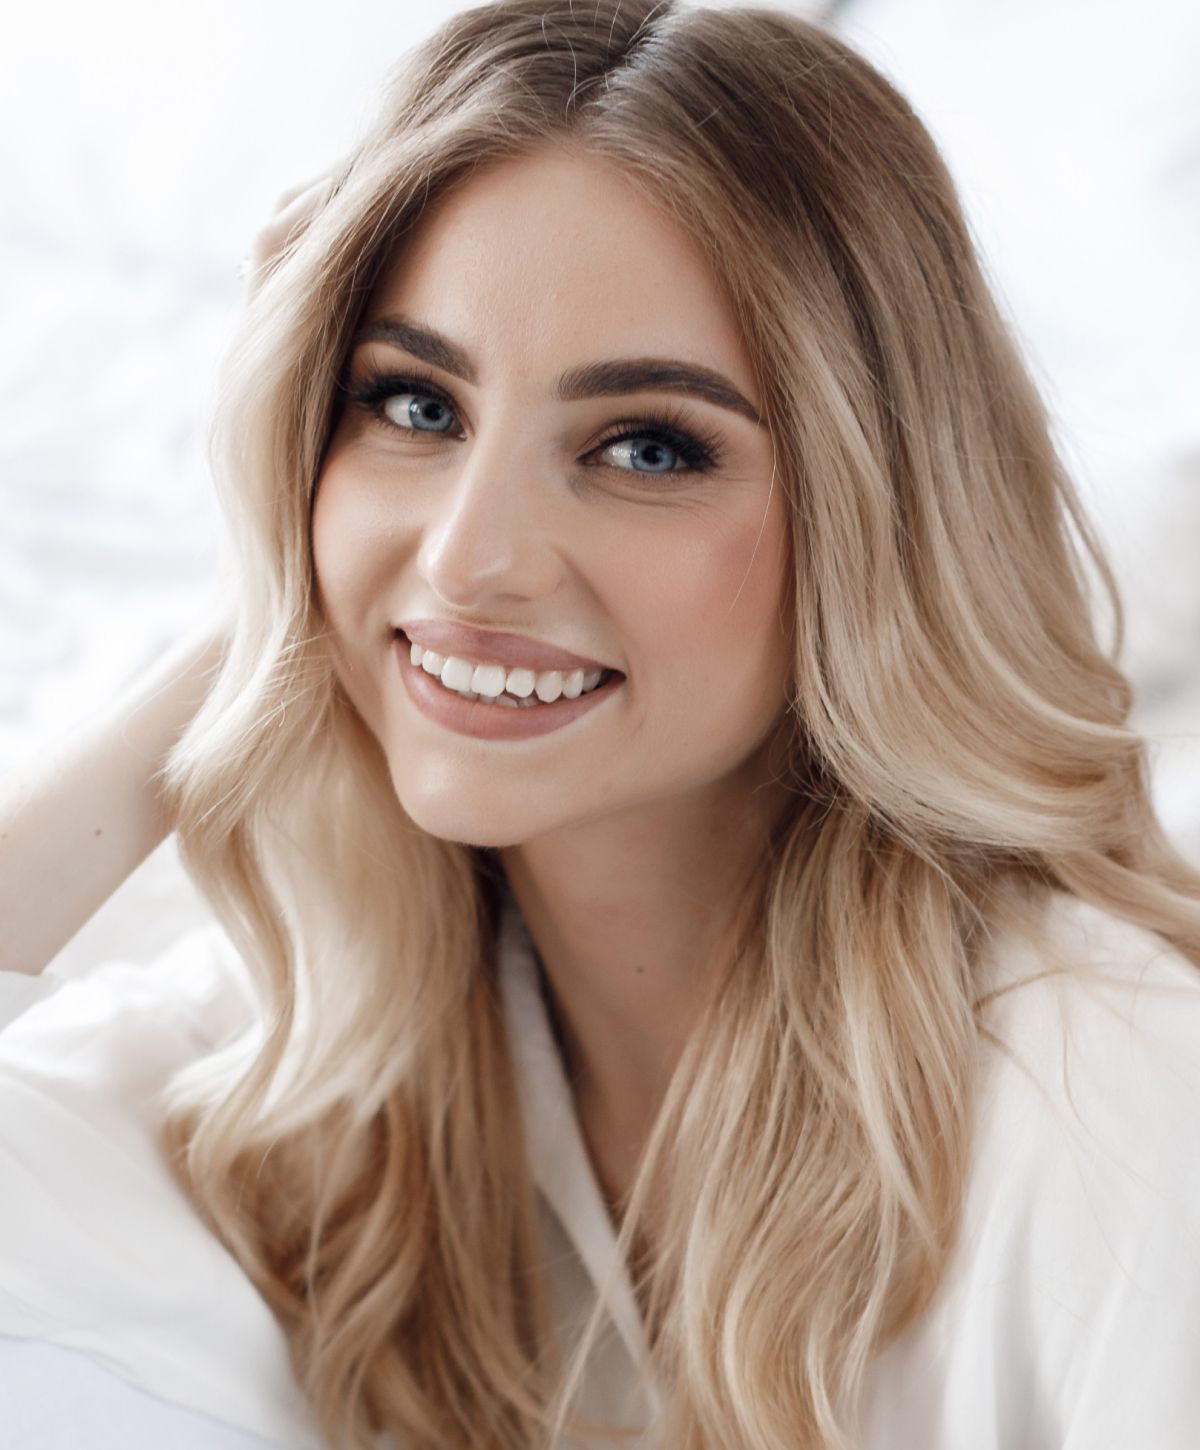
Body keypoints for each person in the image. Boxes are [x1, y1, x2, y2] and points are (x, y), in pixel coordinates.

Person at [2, 2, 1199, 1447]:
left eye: (646, 446)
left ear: (871, 523)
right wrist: (280, 610)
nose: (468, 555)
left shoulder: (1114, 1098)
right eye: (413, 404)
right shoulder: (335, 1044)